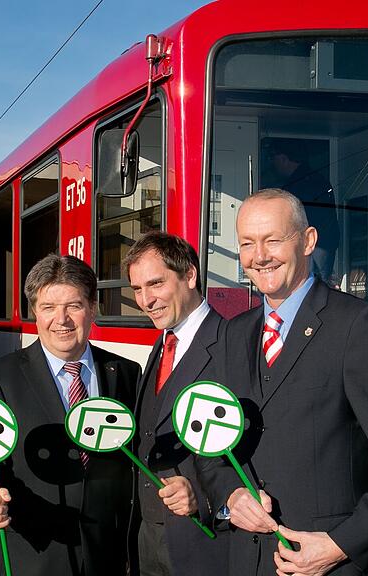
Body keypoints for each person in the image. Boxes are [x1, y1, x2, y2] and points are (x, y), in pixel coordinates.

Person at [213, 189, 368, 575]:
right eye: (248, 243)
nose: (259, 256)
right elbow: (212, 444)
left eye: (273, 240)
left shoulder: (357, 327)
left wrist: (340, 544)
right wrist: (229, 493)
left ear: (308, 241)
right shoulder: (234, 333)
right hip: (247, 562)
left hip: (327, 566)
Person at [0, 254, 140, 576]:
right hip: (33, 553)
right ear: (34, 313)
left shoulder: (125, 373)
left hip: (108, 556)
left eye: (73, 306)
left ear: (93, 308)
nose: (62, 319)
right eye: (48, 308)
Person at [122, 231, 229, 575]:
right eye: (137, 289)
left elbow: (255, 447)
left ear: (190, 275)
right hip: (148, 540)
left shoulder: (230, 344)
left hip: (201, 541)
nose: (145, 300)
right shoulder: (163, 342)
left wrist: (203, 495)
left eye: (155, 284)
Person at [269, 140, 340, 282]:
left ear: (283, 158)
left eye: (274, 158)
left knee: (307, 286)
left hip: (312, 245)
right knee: (315, 287)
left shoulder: (297, 185)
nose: (272, 163)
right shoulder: (316, 179)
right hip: (321, 243)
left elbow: (291, 219)